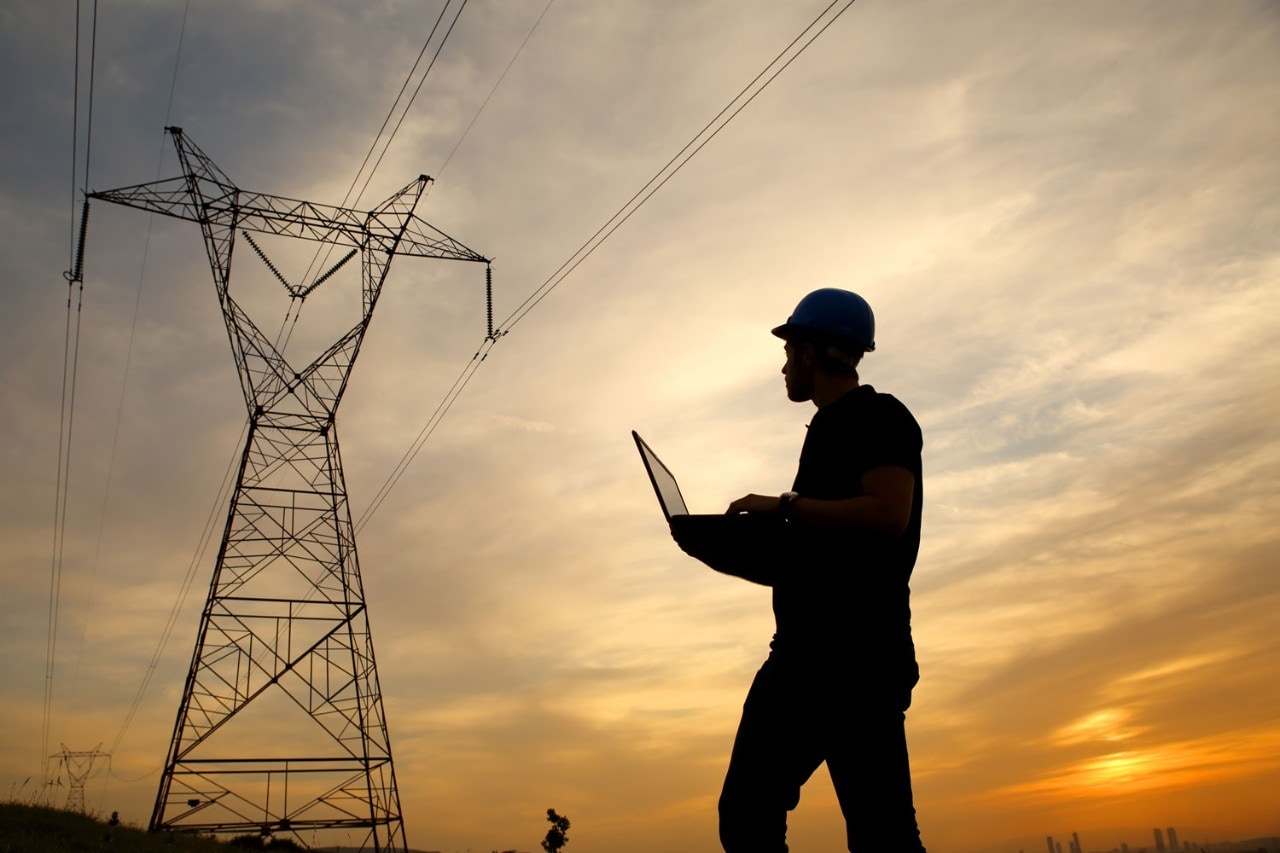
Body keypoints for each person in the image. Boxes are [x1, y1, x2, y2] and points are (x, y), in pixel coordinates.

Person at [671, 288, 927, 852]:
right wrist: (724, 546)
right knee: (754, 814)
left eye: (789, 352)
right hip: (807, 654)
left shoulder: (878, 416)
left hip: (853, 659)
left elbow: (888, 515)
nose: (784, 366)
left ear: (810, 352)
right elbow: (823, 555)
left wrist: (783, 506)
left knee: (871, 830)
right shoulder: (831, 429)